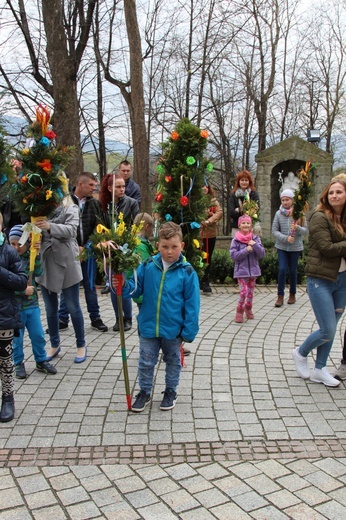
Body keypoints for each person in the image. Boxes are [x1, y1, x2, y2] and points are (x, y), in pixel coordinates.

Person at [112, 222, 200, 412]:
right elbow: (136, 290)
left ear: (182, 246)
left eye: (174, 247)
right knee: (146, 361)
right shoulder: (148, 266)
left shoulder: (187, 272)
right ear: (157, 245)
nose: (169, 252)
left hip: (173, 329)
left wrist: (189, 330)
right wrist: (122, 284)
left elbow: (192, 305)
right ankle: (144, 391)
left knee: (173, 361)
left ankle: (170, 390)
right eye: (165, 247)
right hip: (149, 326)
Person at [292, 179, 346, 387]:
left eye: (339, 192)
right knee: (328, 329)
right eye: (331, 192)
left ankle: (319, 369)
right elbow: (327, 248)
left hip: (342, 280)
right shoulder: (319, 216)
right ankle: (300, 352)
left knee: (332, 326)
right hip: (320, 279)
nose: (334, 196)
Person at [34, 194, 87, 364]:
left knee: (73, 306)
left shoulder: (70, 206)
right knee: (50, 308)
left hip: (67, 262)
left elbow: (72, 231)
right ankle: (55, 344)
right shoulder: (40, 209)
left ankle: (81, 344)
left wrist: (50, 226)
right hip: (46, 261)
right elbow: (35, 230)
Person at [57, 172, 108, 332]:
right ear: (80, 184)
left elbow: (97, 226)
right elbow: (61, 225)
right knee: (68, 283)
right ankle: (62, 318)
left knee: (89, 284)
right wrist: (73, 246)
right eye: (91, 185)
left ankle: (95, 317)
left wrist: (86, 246)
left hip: (88, 250)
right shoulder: (65, 202)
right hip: (69, 250)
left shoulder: (93, 203)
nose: (94, 188)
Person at [9, 225, 57, 378]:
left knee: (38, 335)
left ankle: (41, 360)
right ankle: (18, 363)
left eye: (20, 244)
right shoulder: (8, 260)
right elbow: (7, 283)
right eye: (13, 244)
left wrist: (36, 255)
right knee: (17, 338)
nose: (17, 247)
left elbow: (38, 272)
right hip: (15, 307)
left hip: (32, 305)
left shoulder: (29, 256)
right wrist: (22, 290)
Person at [99, 173, 139, 331]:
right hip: (108, 249)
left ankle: (127, 318)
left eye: (123, 186)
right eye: (118, 186)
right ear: (109, 188)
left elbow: (135, 225)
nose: (122, 189)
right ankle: (118, 318)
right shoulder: (104, 205)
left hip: (125, 248)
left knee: (122, 281)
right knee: (113, 284)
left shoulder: (132, 203)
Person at [0, 213, 27, 422]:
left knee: (5, 361)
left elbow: (21, 281)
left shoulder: (8, 252)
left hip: (3, 316)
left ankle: (8, 398)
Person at [272, 189, 308, 307]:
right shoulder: (278, 214)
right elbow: (274, 231)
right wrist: (285, 238)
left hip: (295, 248)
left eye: (287, 200)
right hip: (282, 247)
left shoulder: (299, 213)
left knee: (293, 271)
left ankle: (292, 294)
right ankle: (280, 296)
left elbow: (305, 231)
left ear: (292, 200)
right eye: (283, 200)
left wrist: (297, 228)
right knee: (282, 270)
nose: (285, 202)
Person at [230, 215, 265, 323]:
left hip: (253, 271)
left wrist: (255, 246)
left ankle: (248, 308)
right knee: (244, 292)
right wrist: (246, 250)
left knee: (250, 293)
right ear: (239, 225)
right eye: (243, 223)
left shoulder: (255, 239)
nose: (245, 225)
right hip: (241, 272)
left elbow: (262, 254)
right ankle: (239, 311)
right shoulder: (236, 240)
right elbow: (234, 256)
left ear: (251, 226)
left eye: (248, 223)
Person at [200, 182, 223, 293]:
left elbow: (219, 213)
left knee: (208, 257)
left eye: (206, 186)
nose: (204, 188)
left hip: (210, 234)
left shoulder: (213, 201)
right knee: (198, 256)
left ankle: (205, 280)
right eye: (201, 186)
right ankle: (197, 279)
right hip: (197, 233)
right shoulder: (195, 200)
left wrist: (209, 220)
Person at [229, 170, 260, 237]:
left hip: (250, 227)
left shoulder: (253, 194)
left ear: (249, 182)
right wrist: (245, 210)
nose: (244, 182)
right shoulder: (233, 195)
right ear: (238, 182)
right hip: (236, 227)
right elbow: (231, 213)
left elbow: (256, 210)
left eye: (246, 180)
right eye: (242, 180)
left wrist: (239, 210)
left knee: (250, 247)